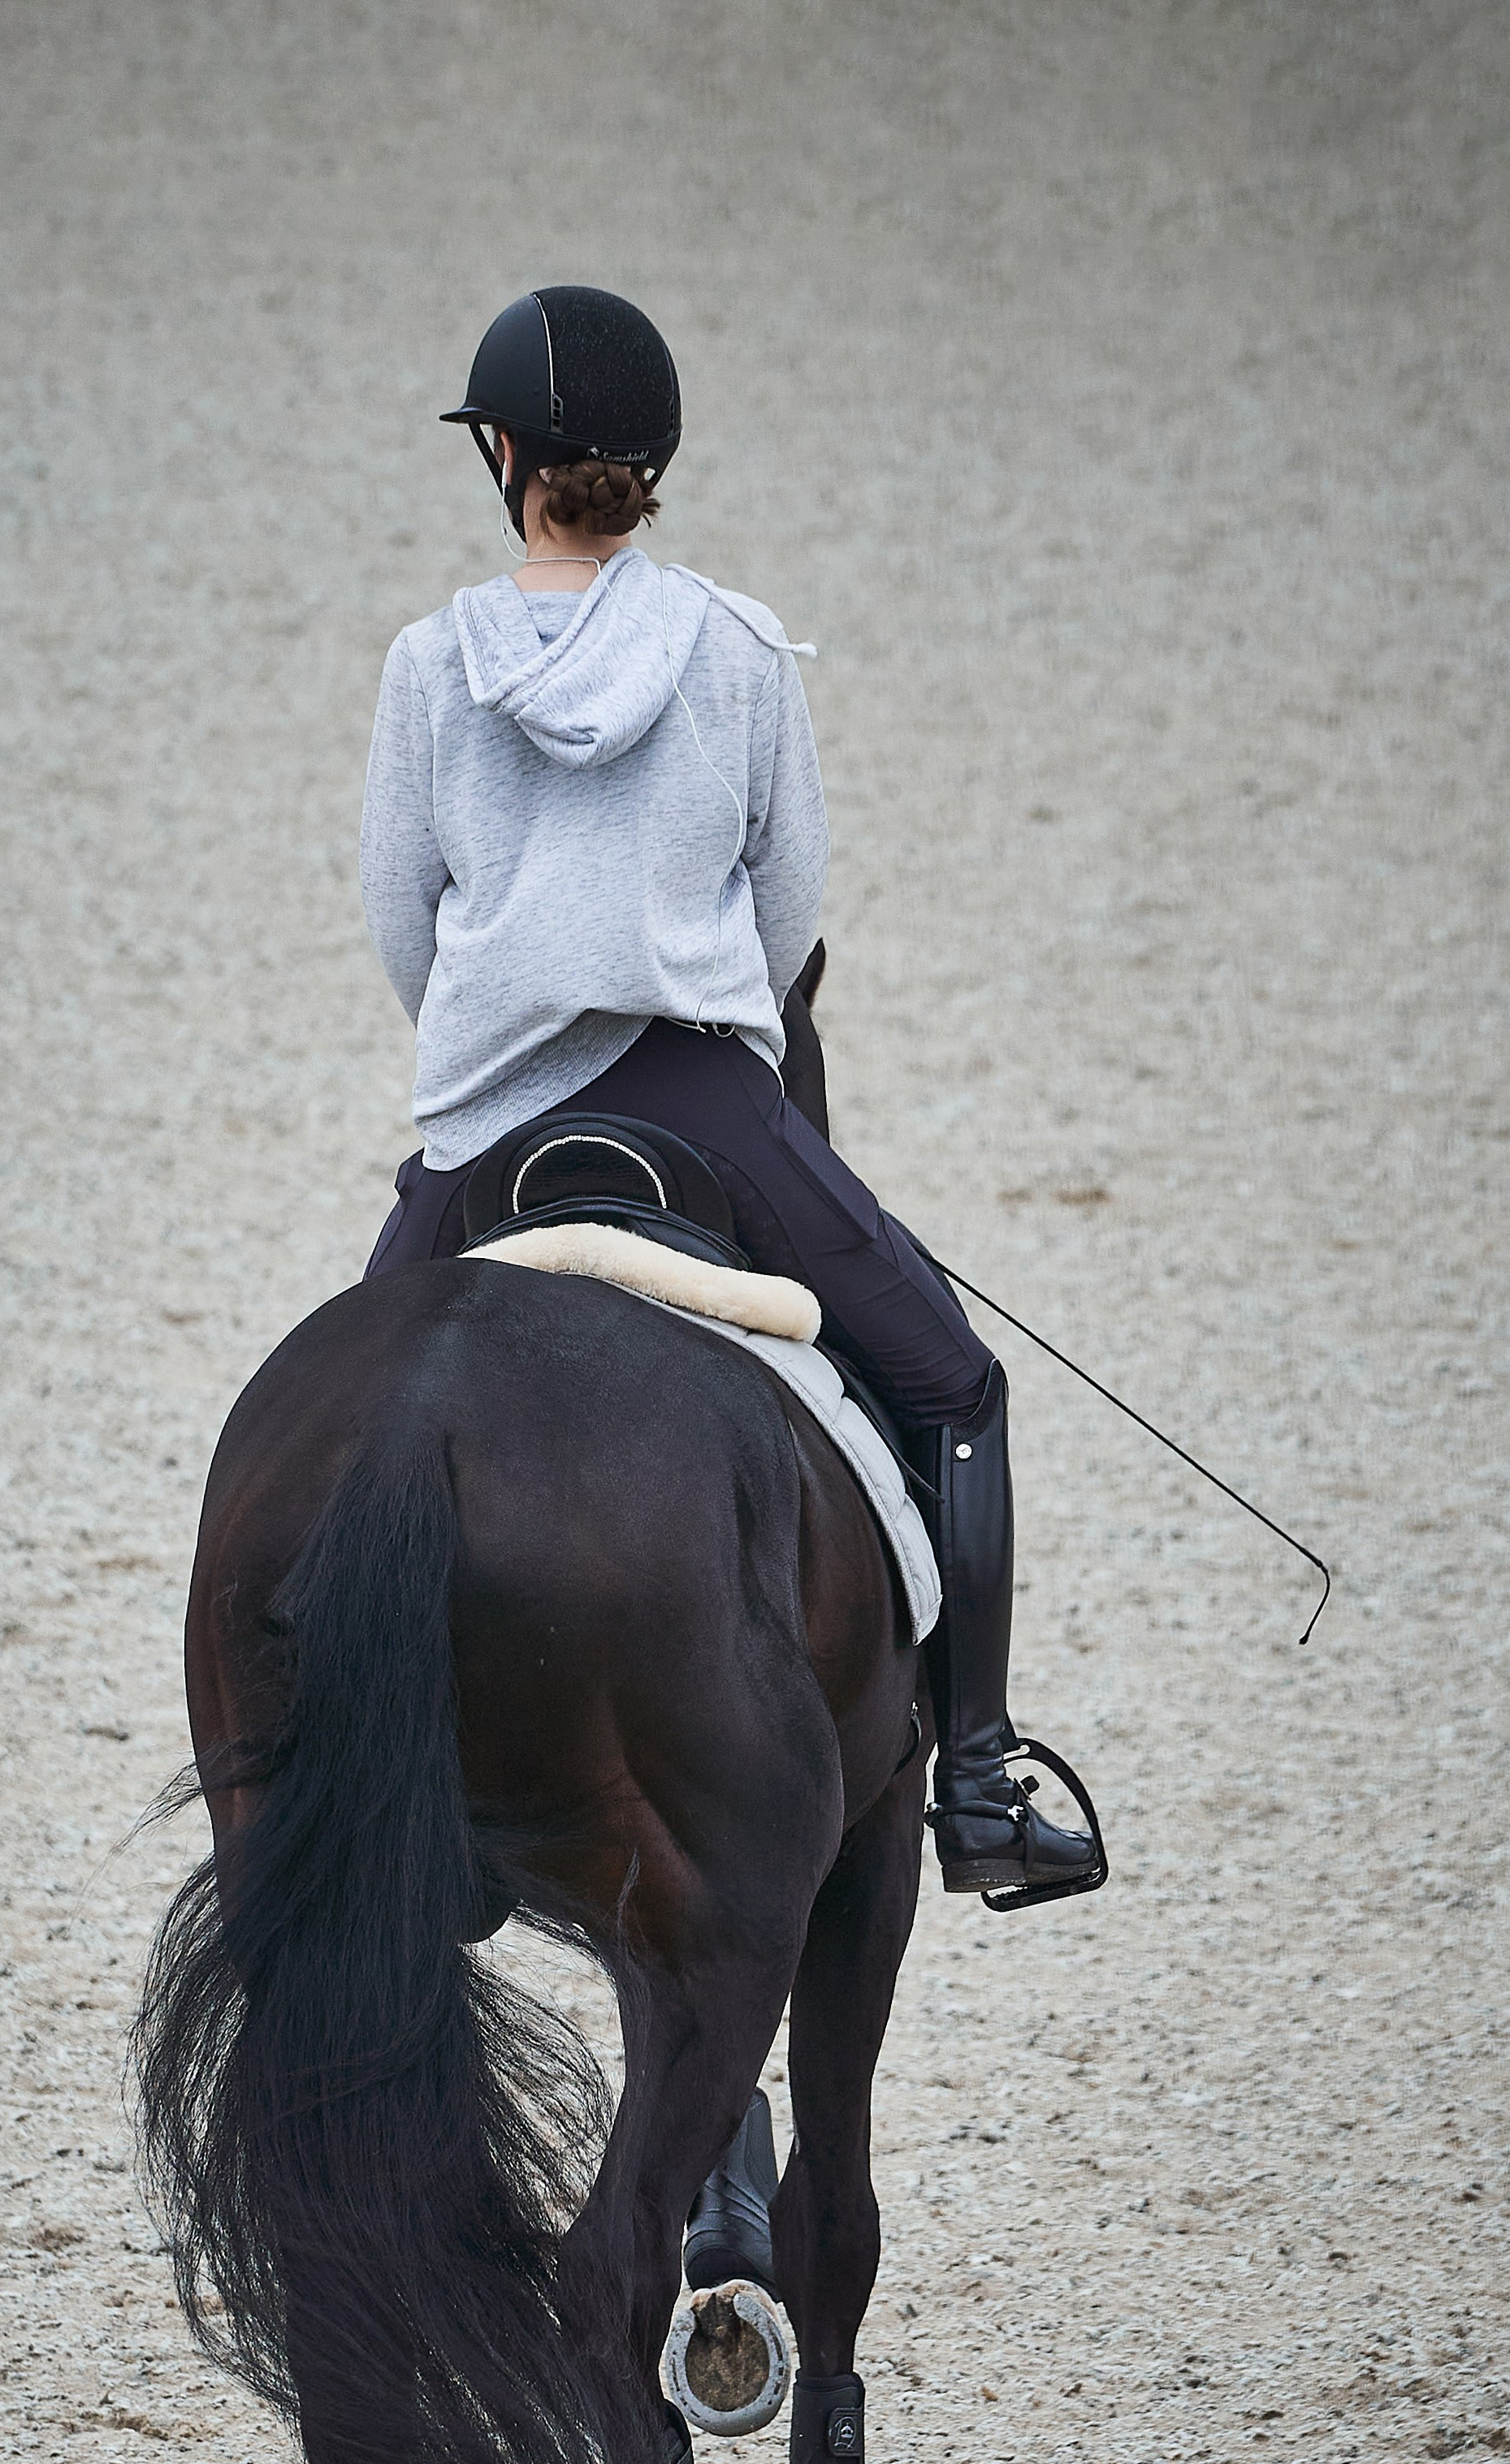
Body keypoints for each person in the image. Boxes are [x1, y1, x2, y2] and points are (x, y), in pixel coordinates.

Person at [357, 285, 1091, 1897]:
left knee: (342, 1430)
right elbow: (788, 917)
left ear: (500, 455)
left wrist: (493, 1039)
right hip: (701, 1103)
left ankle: (332, 1778)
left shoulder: (427, 668)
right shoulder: (743, 651)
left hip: (481, 1126)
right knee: (960, 1390)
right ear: (649, 461)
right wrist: (702, 1025)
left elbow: (401, 919)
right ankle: (972, 1786)